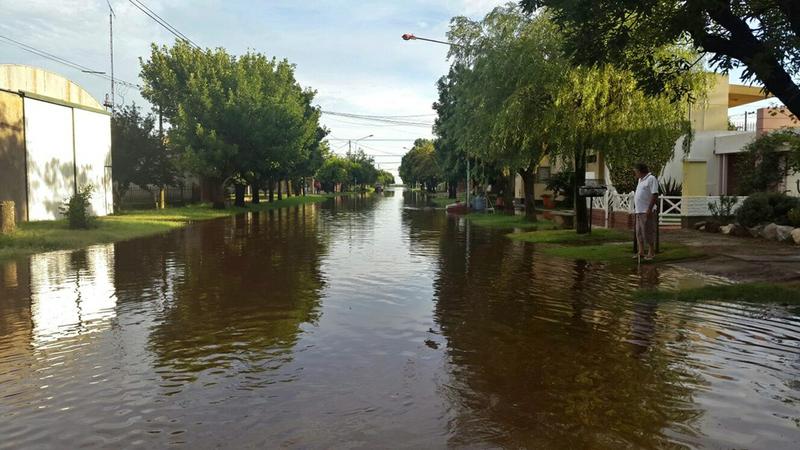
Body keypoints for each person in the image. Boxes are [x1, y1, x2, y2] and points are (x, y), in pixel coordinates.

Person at [633, 162, 659, 260]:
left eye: (636, 172)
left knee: (648, 231)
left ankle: (651, 252)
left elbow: (654, 194)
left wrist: (649, 209)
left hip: (647, 210)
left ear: (640, 171)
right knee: (639, 232)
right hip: (639, 210)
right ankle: (641, 251)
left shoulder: (651, 179)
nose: (635, 174)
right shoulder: (640, 180)